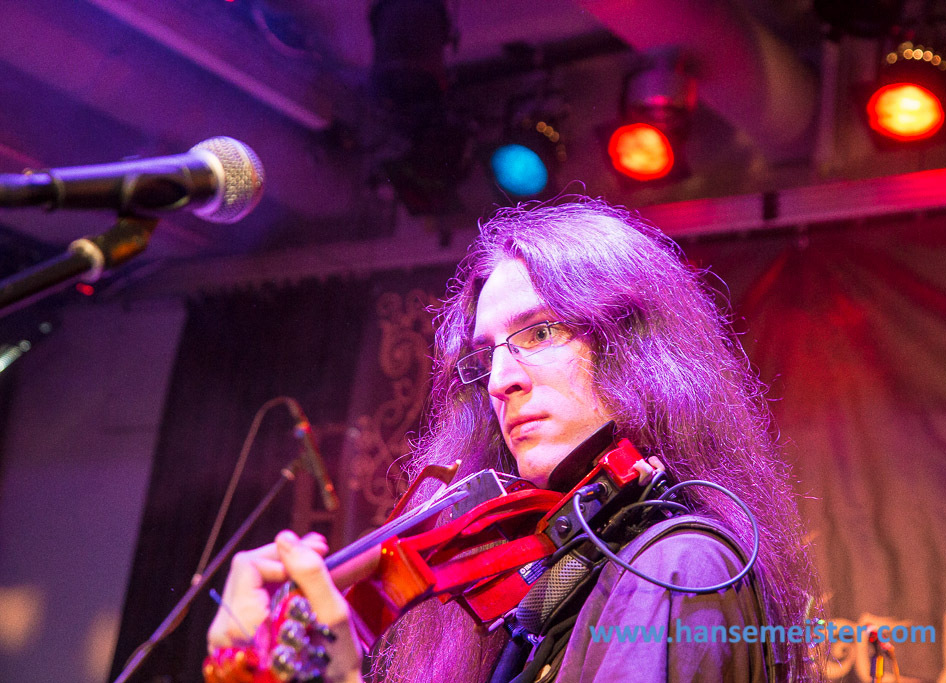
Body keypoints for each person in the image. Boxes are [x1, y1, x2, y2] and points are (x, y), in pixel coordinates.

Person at [207, 197, 823, 682]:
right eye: (488, 355)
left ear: (634, 345)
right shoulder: (553, 589)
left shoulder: (675, 566)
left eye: (541, 332)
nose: (500, 381)